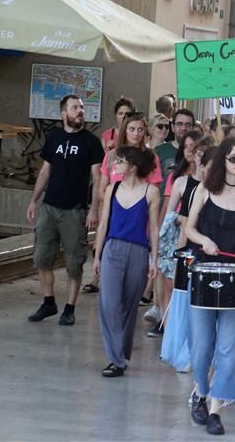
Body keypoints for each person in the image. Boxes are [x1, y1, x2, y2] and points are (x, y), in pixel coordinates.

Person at [184, 136, 235, 435]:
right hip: (204, 274)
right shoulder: (204, 189)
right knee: (202, 346)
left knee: (230, 348)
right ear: (223, 159)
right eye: (233, 158)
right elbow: (189, 228)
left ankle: (216, 408)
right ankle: (200, 390)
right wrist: (205, 241)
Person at [27, 95, 105, 325]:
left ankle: (69, 308)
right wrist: (34, 200)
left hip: (75, 210)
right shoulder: (54, 136)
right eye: (75, 108)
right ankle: (48, 302)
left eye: (81, 107)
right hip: (49, 207)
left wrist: (94, 209)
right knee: (41, 257)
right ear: (64, 114)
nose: (80, 111)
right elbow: (45, 171)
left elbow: (97, 177)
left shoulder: (91, 142)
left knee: (74, 262)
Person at [93, 146, 159, 377]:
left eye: (120, 161)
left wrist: (154, 259)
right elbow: (103, 224)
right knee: (108, 304)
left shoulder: (151, 192)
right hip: (113, 248)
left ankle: (120, 356)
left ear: (132, 166)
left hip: (139, 252)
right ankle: (115, 358)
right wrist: (97, 255)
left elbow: (153, 227)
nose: (114, 165)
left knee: (129, 307)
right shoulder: (112, 188)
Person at [159, 136, 216, 373]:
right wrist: (179, 256)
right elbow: (183, 225)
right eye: (199, 155)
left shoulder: (218, 191)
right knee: (185, 306)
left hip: (209, 256)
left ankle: (200, 352)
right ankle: (184, 351)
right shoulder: (188, 185)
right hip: (190, 252)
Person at [154, 108, 196, 198]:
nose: (184, 128)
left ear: (193, 128)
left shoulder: (198, 153)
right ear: (173, 127)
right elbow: (153, 183)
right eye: (180, 124)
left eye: (188, 125)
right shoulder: (158, 151)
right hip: (162, 207)